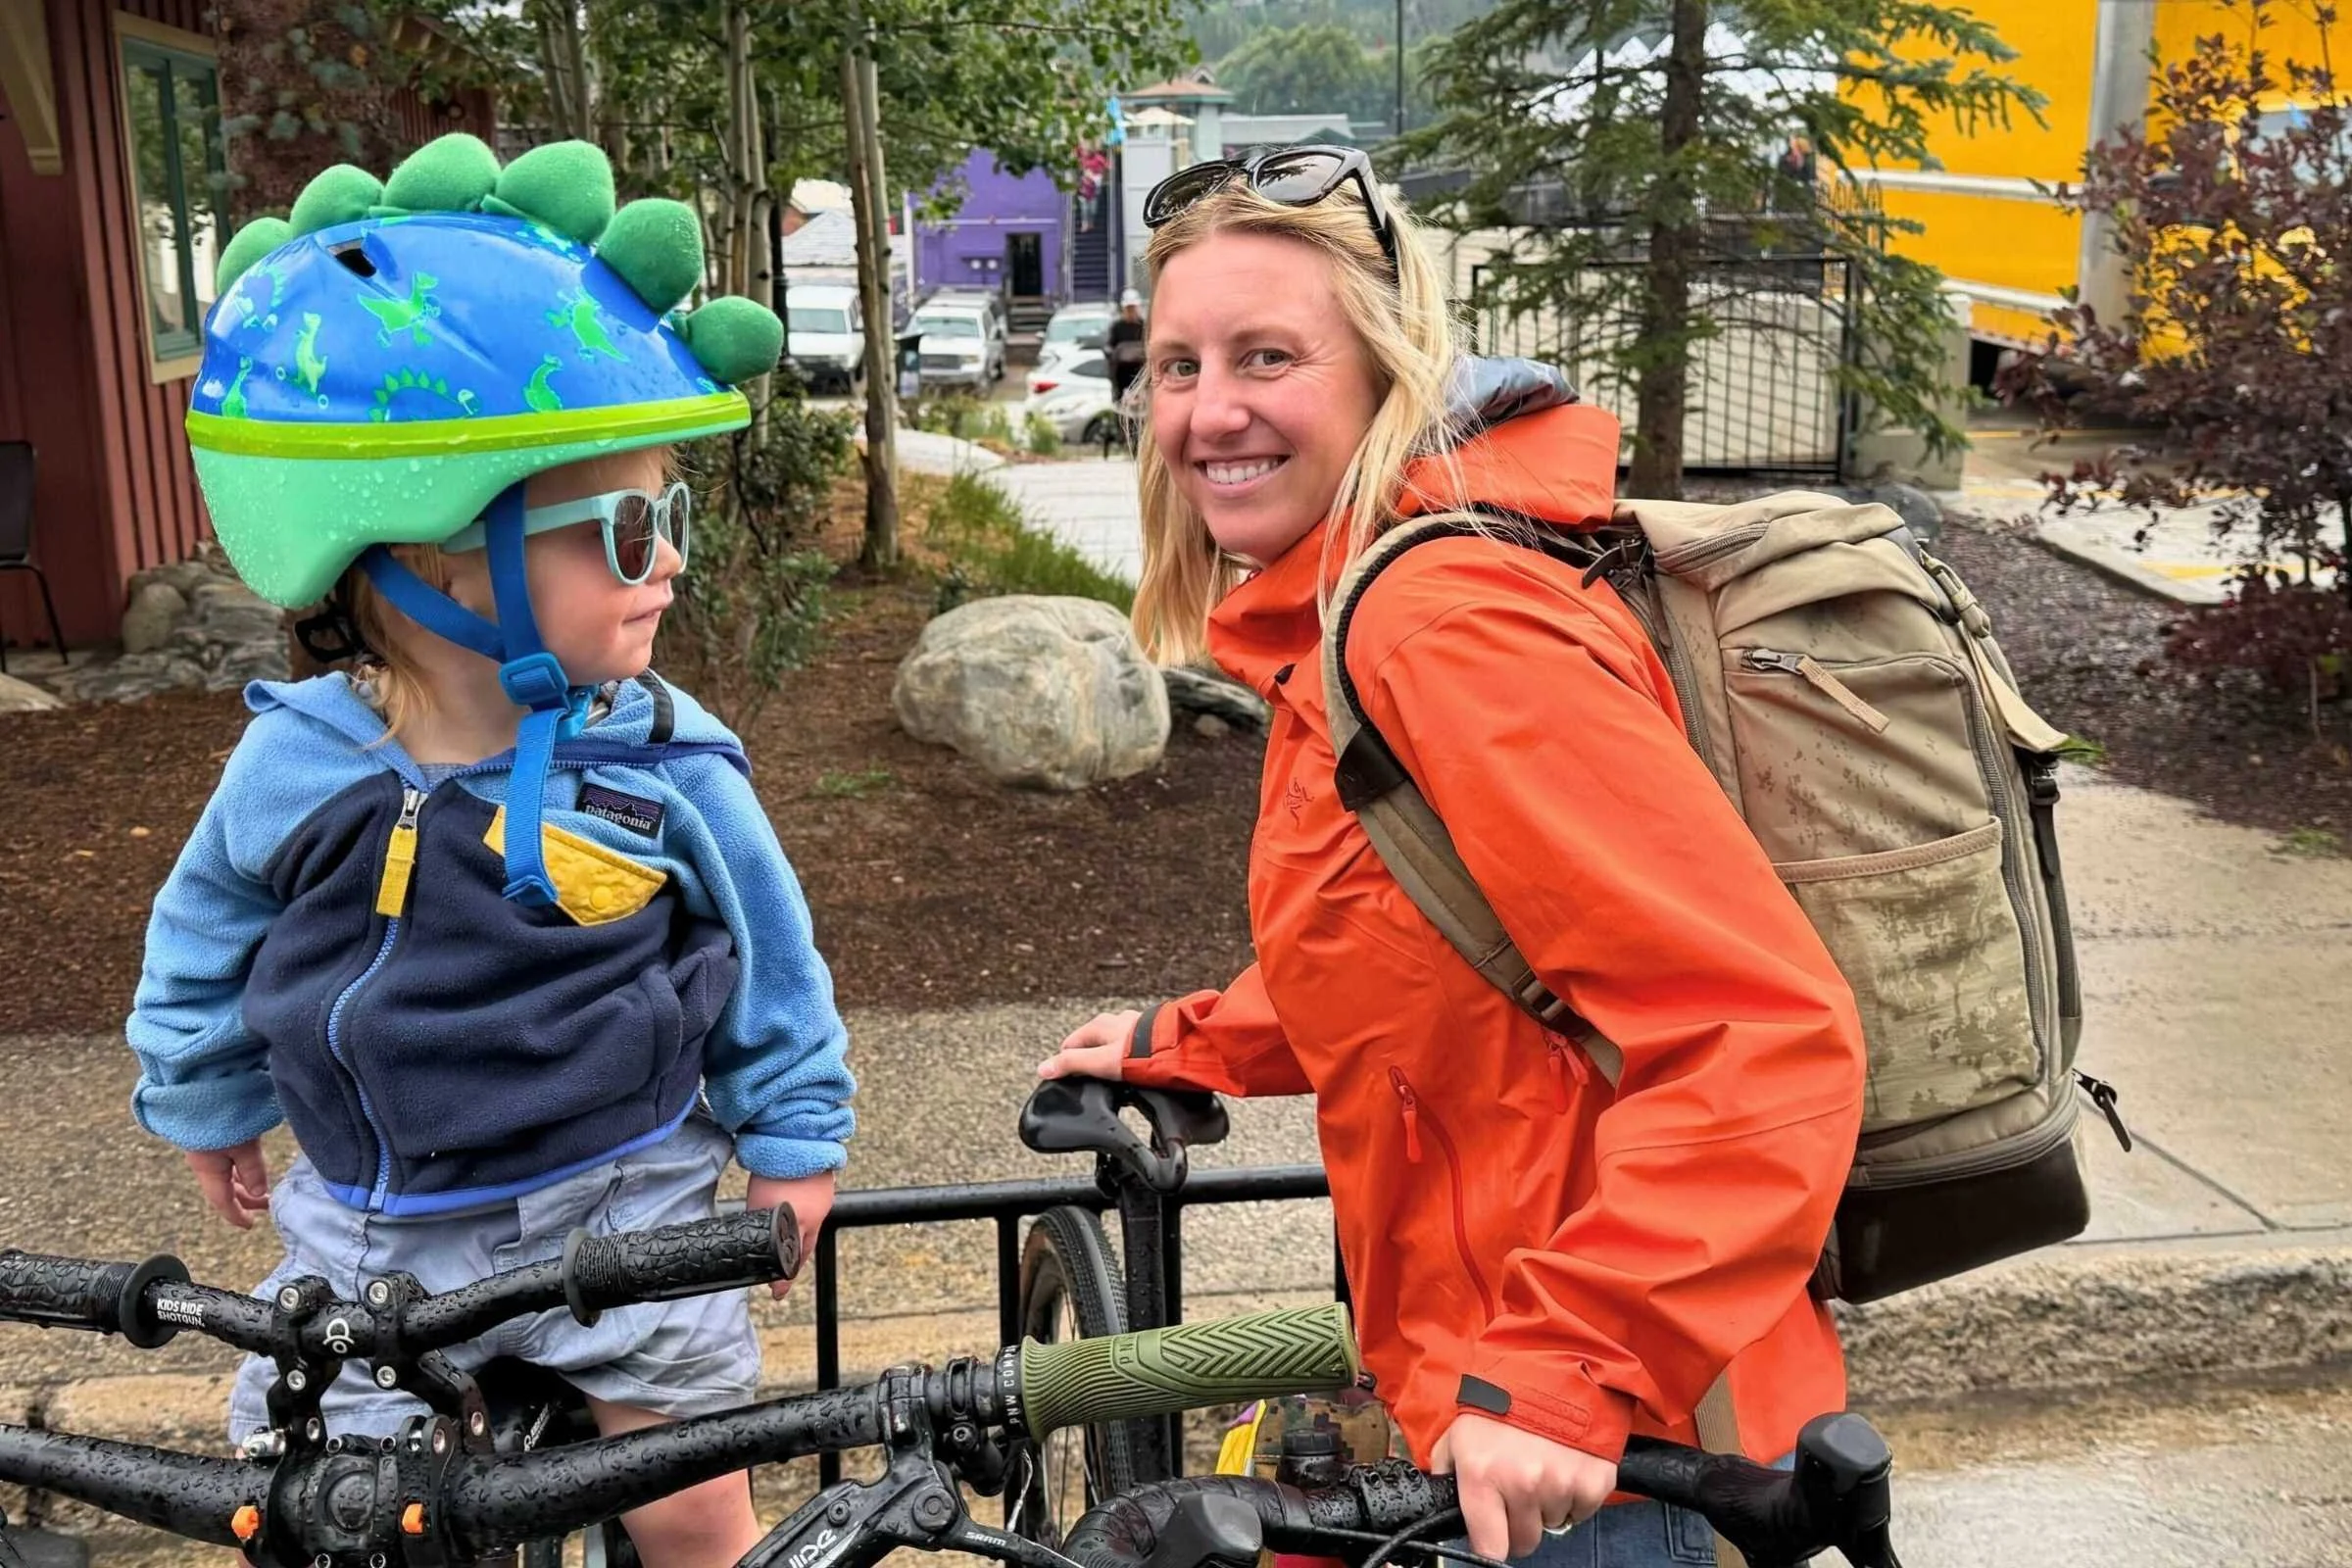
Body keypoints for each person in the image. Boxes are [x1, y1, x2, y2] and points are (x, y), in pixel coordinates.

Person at [1035, 145, 1866, 1568]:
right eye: (1173, 364)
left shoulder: (1443, 625)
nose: (1206, 410)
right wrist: (1200, 1040)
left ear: (1384, 371)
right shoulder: (1360, 609)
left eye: (1265, 355)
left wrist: (1570, 1363)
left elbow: (1763, 1030)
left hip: (1602, 1447)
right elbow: (1421, 945)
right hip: (1517, 1404)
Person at [129, 135, 854, 1568]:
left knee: (695, 1506)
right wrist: (205, 1091)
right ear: (444, 560)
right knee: (325, 1508)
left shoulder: (658, 760)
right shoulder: (303, 760)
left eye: (674, 521)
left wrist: (794, 1141)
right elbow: (204, 929)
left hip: (623, 1205)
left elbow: (772, 955)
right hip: (370, 1228)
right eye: (631, 529)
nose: (671, 566)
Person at [1106, 286, 1150, 439]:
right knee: (1120, 395)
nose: (1131, 311)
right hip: (1122, 371)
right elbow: (1109, 346)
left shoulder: (1143, 325)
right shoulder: (1117, 327)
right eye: (1128, 308)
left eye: (1133, 308)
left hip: (1140, 369)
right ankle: (1122, 431)